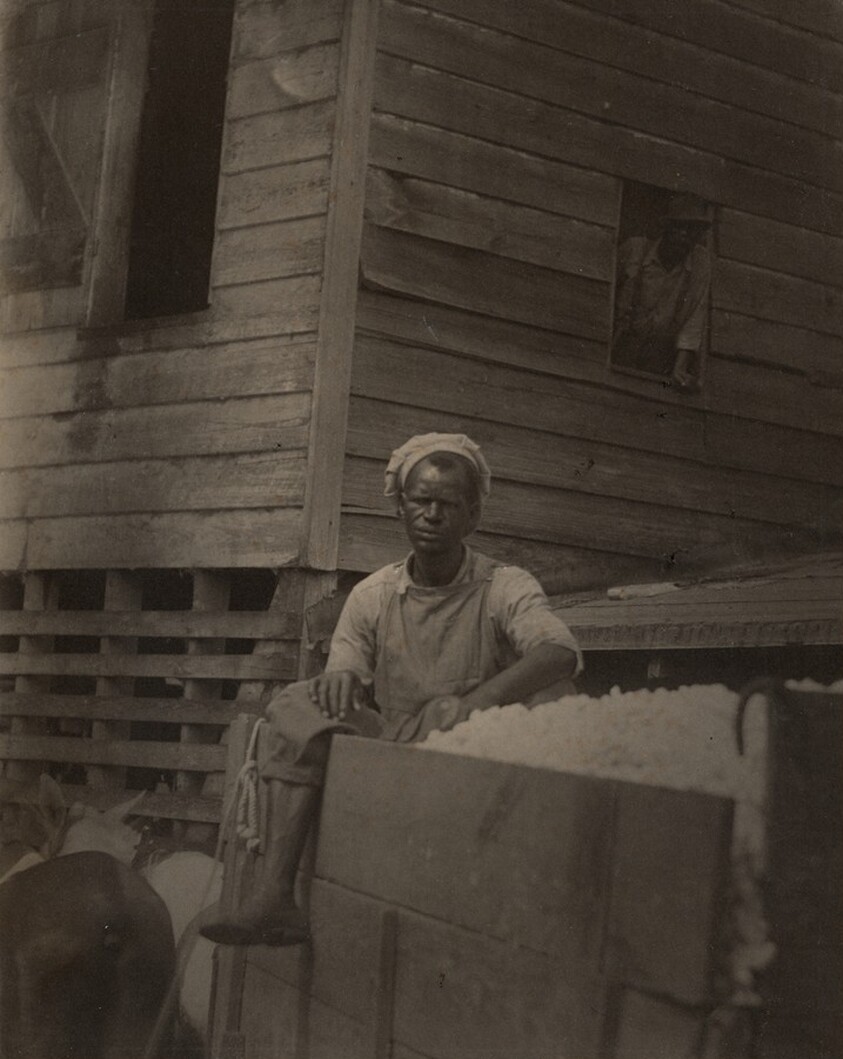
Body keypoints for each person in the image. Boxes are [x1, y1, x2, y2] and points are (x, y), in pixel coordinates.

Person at [200, 433, 581, 946]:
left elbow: (558, 651)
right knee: (294, 701)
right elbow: (346, 670)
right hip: (397, 739)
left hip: (473, 751)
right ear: (400, 509)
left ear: (472, 517)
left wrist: (474, 706)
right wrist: (338, 679)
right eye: (420, 501)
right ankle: (274, 895)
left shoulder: (503, 585)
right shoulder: (374, 594)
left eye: (448, 504)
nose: (432, 515)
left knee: (549, 701)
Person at [611, 193, 714, 393]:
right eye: (680, 227)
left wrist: (680, 367)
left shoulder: (701, 265)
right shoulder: (634, 250)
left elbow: (694, 321)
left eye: (693, 231)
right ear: (666, 227)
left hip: (659, 359)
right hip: (620, 348)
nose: (685, 236)